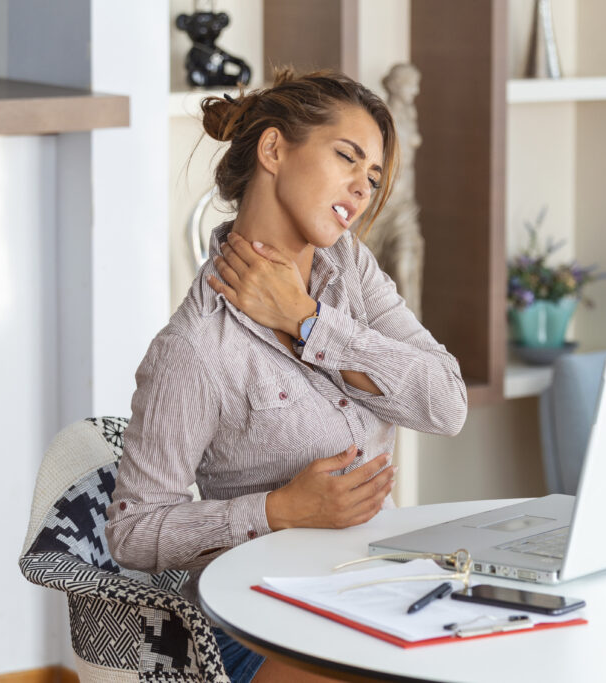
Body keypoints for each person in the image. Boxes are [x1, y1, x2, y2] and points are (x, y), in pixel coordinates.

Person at [104, 68, 468, 683]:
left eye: (373, 177)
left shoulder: (350, 272)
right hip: (263, 623)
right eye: (347, 158)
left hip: (380, 591)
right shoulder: (195, 347)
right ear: (274, 150)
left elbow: (447, 406)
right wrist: (277, 510)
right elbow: (133, 533)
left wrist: (310, 322)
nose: (362, 188)